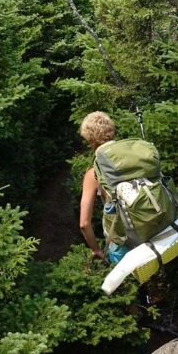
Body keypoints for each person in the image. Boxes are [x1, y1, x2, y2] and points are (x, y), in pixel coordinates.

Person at [78, 111, 124, 263]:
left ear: (90, 140)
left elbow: (84, 224)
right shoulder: (132, 157)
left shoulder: (93, 173)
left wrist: (96, 250)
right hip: (152, 226)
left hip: (122, 239)